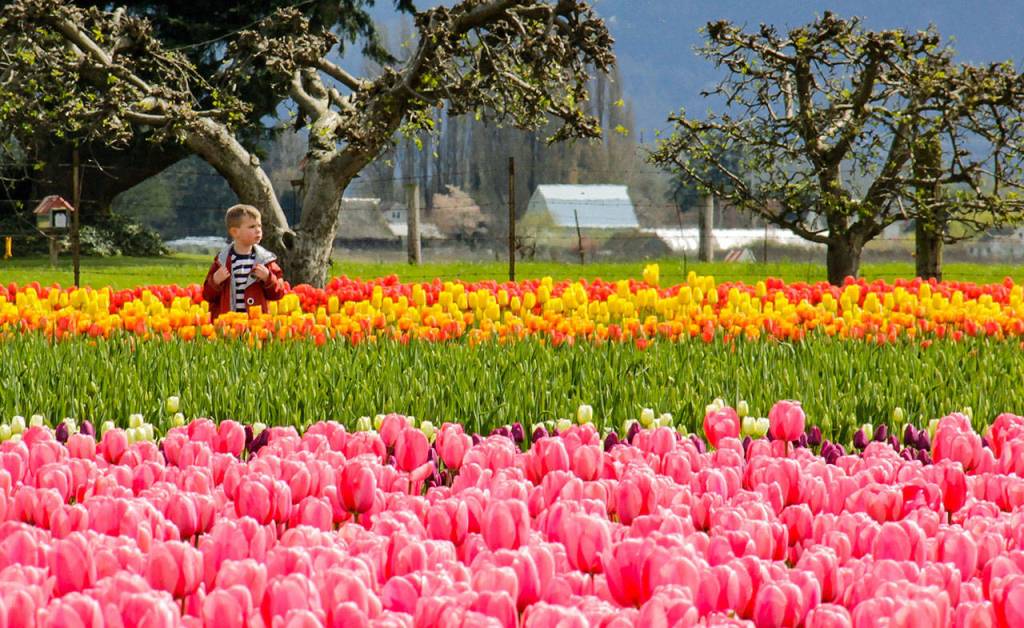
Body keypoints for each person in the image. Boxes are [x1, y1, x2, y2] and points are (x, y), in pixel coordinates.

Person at [202, 204, 287, 318]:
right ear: (235, 232)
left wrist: (268, 278)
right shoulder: (222, 262)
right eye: (252, 227)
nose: (258, 230)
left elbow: (278, 294)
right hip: (229, 324)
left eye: (259, 226)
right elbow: (207, 296)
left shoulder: (265, 261)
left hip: (255, 325)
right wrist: (215, 281)